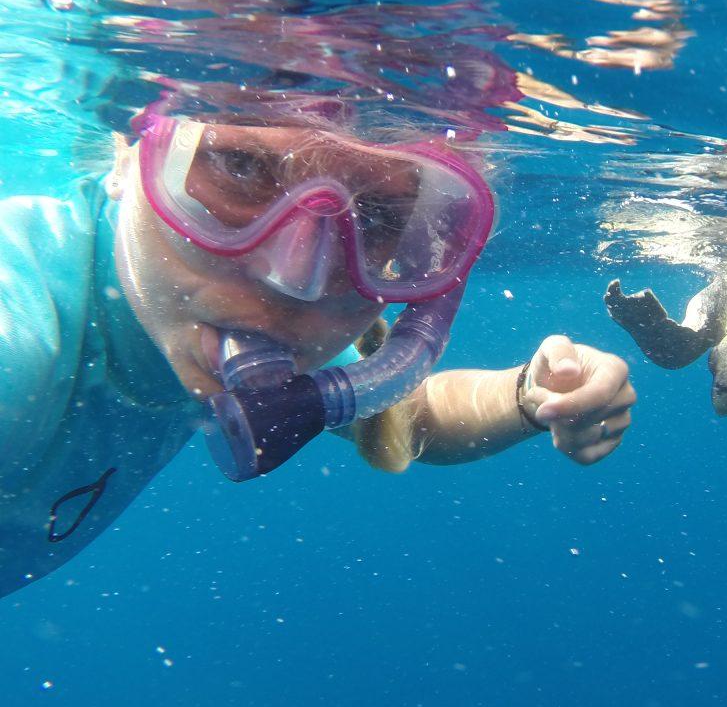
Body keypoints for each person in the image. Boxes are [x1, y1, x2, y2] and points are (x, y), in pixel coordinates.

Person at [0, 99, 635, 599]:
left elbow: (404, 415)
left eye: (383, 212)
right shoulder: (21, 326)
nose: (294, 278)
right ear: (125, 155)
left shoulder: (194, 316)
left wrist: (527, 395)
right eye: (240, 167)